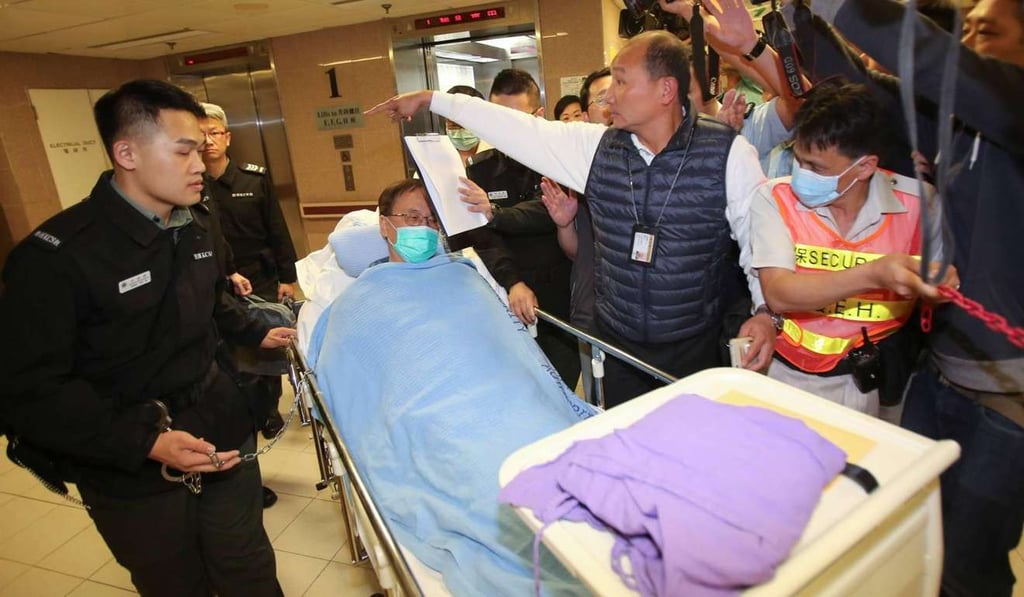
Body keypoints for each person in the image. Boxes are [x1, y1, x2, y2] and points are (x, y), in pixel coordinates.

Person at [368, 30, 777, 408]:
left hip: (694, 347)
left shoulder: (726, 153)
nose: (608, 98)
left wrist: (764, 311)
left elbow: (759, 239)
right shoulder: (595, 149)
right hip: (619, 349)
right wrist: (433, 100)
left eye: (621, 82)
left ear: (665, 89)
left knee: (691, 456)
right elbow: (521, 130)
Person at [0, 79, 291, 596]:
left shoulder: (196, 228)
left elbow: (212, 302)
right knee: (176, 582)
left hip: (218, 422)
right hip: (128, 457)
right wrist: (147, 443)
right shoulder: (56, 259)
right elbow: (32, 392)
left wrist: (259, 332)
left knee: (247, 565)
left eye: (201, 150)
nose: (200, 164)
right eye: (184, 151)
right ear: (127, 152)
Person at [806, 0, 1024, 594]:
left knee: (968, 565)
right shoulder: (958, 127)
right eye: (966, 28)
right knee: (913, 524)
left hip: (1009, 400)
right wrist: (788, 25)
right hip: (942, 373)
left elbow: (937, 63)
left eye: (988, 30)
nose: (972, 40)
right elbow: (867, 93)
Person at [751, 81, 957, 416]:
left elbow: (933, 289)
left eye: (816, 168)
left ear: (864, 166)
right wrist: (875, 273)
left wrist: (941, 286)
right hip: (787, 373)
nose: (801, 174)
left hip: (876, 382)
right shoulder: (775, 198)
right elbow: (779, 293)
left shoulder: (919, 203)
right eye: (798, 159)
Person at [449, 69, 581, 389]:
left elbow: (545, 211)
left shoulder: (559, 160)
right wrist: (513, 281)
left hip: (563, 300)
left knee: (561, 391)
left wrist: (494, 213)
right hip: (506, 295)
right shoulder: (481, 169)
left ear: (537, 115)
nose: (505, 130)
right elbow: (483, 236)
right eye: (497, 119)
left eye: (514, 119)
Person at [200, 102, 297, 440]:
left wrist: (288, 277)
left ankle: (268, 410)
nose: (208, 142)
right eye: (200, 135)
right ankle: (242, 410)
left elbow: (277, 228)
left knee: (265, 347)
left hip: (261, 276)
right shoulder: (191, 186)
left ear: (226, 137)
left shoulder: (252, 178)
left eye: (214, 133)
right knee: (228, 353)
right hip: (217, 283)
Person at [377, 178, 441, 264]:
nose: (425, 226)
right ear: (384, 225)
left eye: (433, 219)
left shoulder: (458, 271)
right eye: (414, 217)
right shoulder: (374, 277)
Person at [443, 85, 486, 167]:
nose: (461, 131)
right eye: (454, 125)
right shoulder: (433, 159)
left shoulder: (500, 156)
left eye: (467, 125)